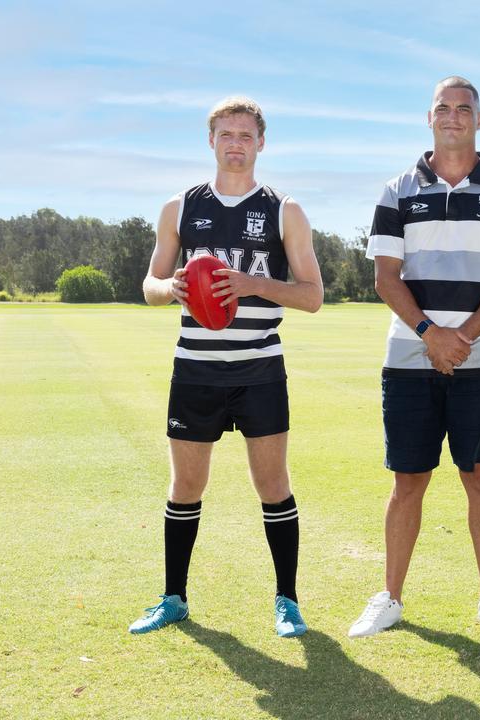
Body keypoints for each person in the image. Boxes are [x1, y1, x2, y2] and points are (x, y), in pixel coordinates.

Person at [348, 76, 480, 638]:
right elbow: (386, 277)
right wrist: (431, 333)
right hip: (409, 356)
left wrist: (461, 338)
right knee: (409, 481)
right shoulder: (397, 190)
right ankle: (391, 597)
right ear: (429, 118)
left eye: (464, 108)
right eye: (442, 108)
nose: (453, 116)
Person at [132, 96, 324, 637]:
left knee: (272, 483)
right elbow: (149, 285)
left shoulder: (286, 210)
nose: (235, 144)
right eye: (225, 134)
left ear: (261, 143)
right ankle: (173, 598)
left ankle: (286, 601)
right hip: (194, 369)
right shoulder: (180, 207)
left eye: (245, 135)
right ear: (210, 141)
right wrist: (169, 289)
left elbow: (312, 296)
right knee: (185, 485)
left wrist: (254, 284)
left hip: (260, 369)